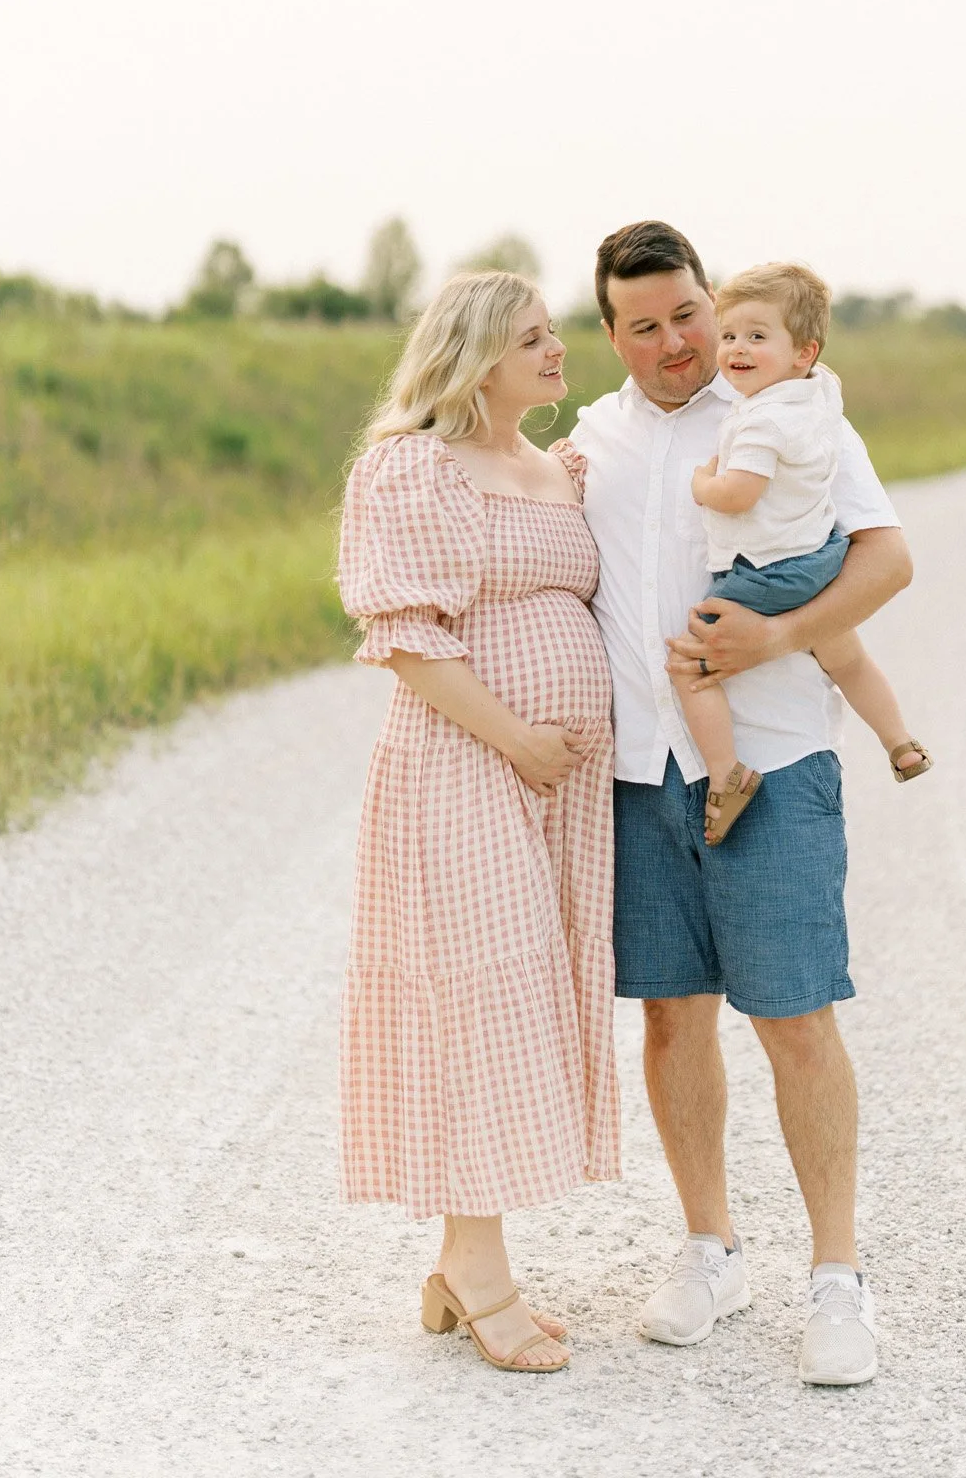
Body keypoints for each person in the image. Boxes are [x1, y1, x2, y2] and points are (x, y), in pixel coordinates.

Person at [566, 221, 914, 1386]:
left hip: (772, 755)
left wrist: (780, 634)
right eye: (646, 323)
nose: (678, 342)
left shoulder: (788, 406)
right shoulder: (593, 440)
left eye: (689, 313)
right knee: (670, 1016)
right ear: (611, 332)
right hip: (641, 770)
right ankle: (710, 1248)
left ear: (716, 304)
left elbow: (885, 558)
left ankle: (836, 1276)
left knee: (795, 1016)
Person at [336, 270, 619, 1375]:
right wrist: (515, 736)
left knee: (520, 1002)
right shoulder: (415, 467)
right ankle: (485, 1276)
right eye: (533, 338)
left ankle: (465, 1264)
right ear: (473, 356)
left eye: (553, 333)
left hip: (559, 787)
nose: (558, 350)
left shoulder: (557, 468)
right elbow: (405, 638)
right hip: (464, 765)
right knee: (480, 1004)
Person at [669, 260, 931, 842]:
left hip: (768, 571)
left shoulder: (761, 420)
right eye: (730, 334)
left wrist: (702, 484)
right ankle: (900, 741)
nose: (736, 349)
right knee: (846, 658)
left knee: (689, 665)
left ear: (802, 352)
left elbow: (738, 495)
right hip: (820, 559)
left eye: (757, 337)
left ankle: (725, 775)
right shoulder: (819, 395)